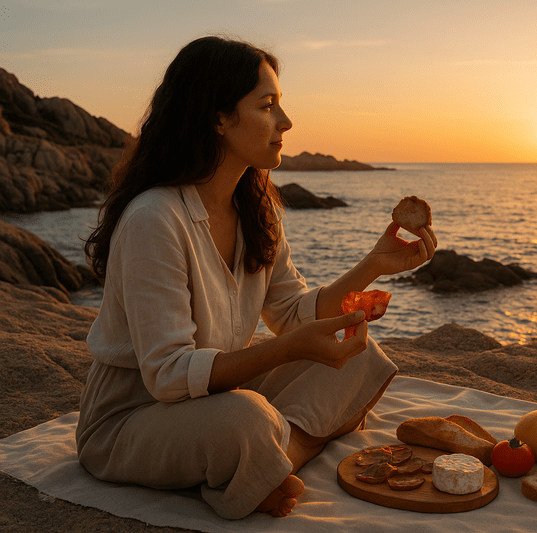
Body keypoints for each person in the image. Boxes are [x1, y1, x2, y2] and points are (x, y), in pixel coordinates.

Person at [76, 35, 437, 520]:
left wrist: (374, 263)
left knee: (359, 355)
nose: (285, 122)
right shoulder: (155, 218)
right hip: (131, 421)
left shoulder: (257, 207)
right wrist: (291, 349)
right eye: (267, 106)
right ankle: (265, 456)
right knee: (246, 419)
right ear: (218, 117)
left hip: (213, 398)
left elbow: (291, 313)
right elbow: (167, 375)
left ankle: (273, 461)